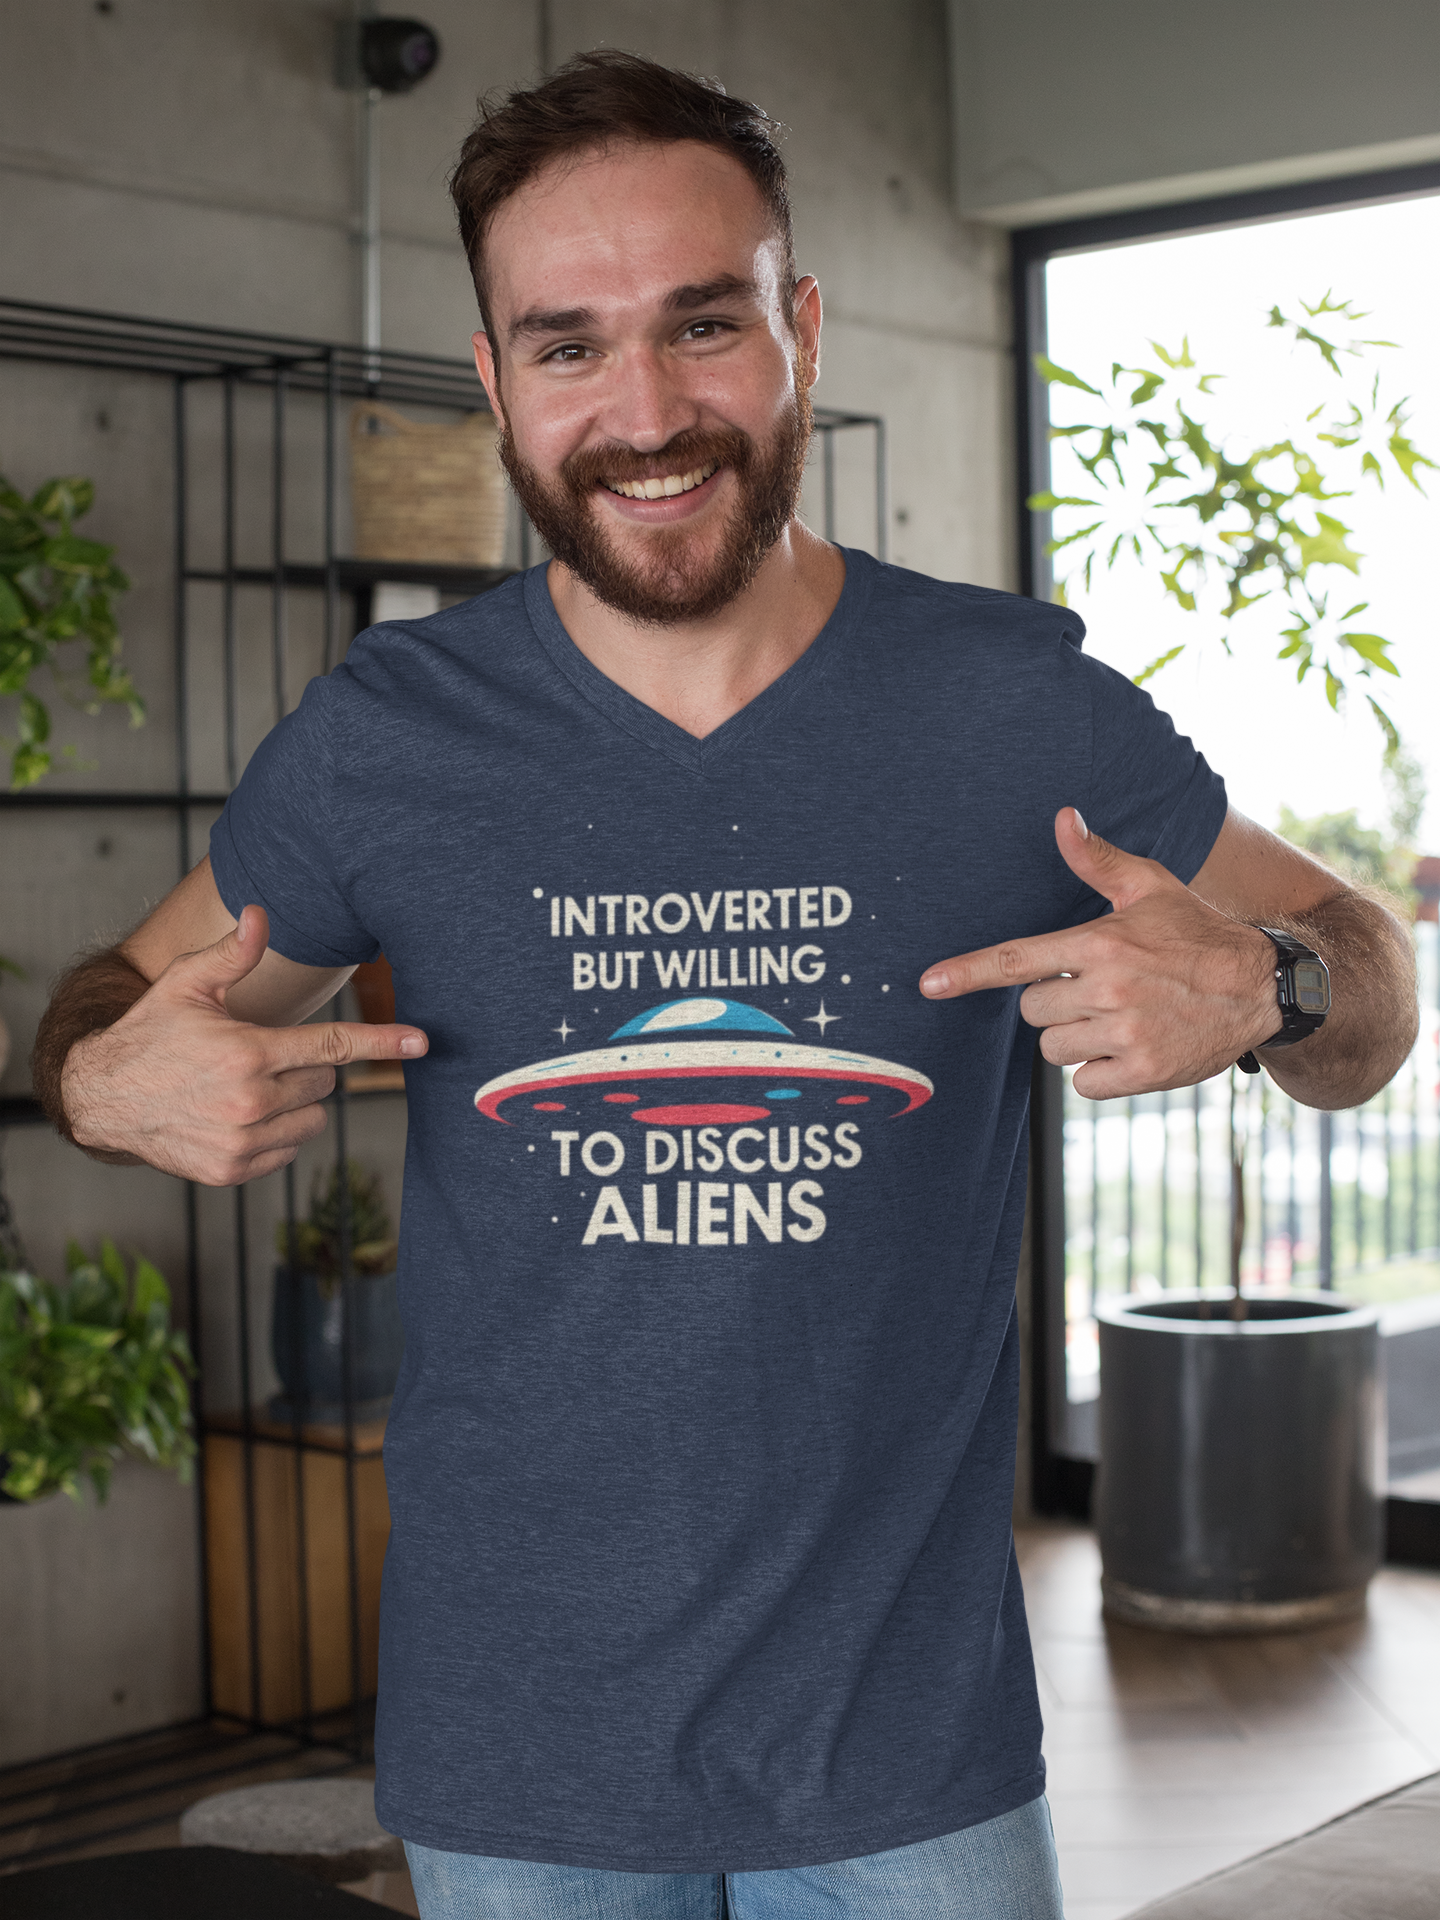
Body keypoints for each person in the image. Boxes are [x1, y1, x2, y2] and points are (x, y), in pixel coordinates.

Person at [35, 49, 1416, 1920]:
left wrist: (1264, 984)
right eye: (570, 344)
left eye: (705, 323)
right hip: (520, 1752)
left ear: (804, 330)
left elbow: (1373, 979)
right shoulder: (384, 743)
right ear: (497, 380)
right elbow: (115, 1000)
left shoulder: (1014, 704)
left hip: (907, 1751)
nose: (647, 409)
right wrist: (107, 1082)